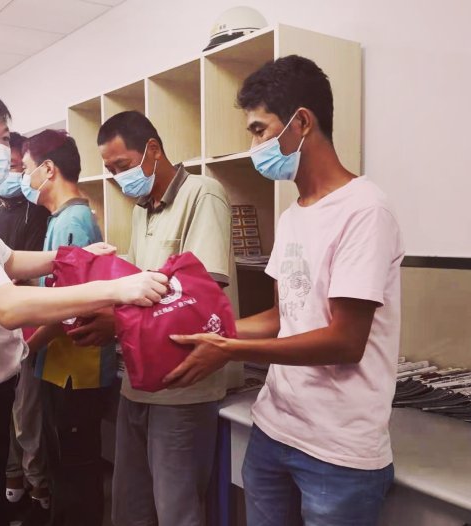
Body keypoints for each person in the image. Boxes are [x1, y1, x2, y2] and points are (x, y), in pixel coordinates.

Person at [0, 87, 168, 526]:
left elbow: (7, 260)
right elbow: (6, 306)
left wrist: (70, 257)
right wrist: (115, 290)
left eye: (4, 138)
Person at [164, 55, 404, 526]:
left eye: (259, 130)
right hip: (274, 429)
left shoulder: (365, 210)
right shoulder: (294, 214)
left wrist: (229, 350)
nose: (253, 146)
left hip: (337, 451)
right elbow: (281, 317)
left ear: (302, 123)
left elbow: (345, 341)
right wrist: (209, 331)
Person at [93, 111, 234, 526]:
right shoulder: (142, 210)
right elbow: (135, 289)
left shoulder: (202, 193)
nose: (118, 178)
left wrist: (116, 323)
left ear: (152, 149)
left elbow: (198, 298)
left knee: (177, 510)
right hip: (139, 380)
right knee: (130, 506)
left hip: (184, 385)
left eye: (122, 165)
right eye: (110, 170)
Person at [19, 128, 116, 526]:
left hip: (75, 371)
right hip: (62, 367)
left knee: (75, 473)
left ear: (48, 169)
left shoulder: (72, 221)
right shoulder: (62, 218)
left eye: (26, 168)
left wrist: (26, 349)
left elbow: (68, 308)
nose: (24, 179)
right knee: (66, 467)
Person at [0, 132, 51, 524]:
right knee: (7, 418)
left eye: (18, 166)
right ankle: (13, 488)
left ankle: (38, 493)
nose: (12, 174)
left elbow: (32, 274)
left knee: (28, 419)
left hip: (29, 327)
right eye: (8, 167)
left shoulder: (39, 214)